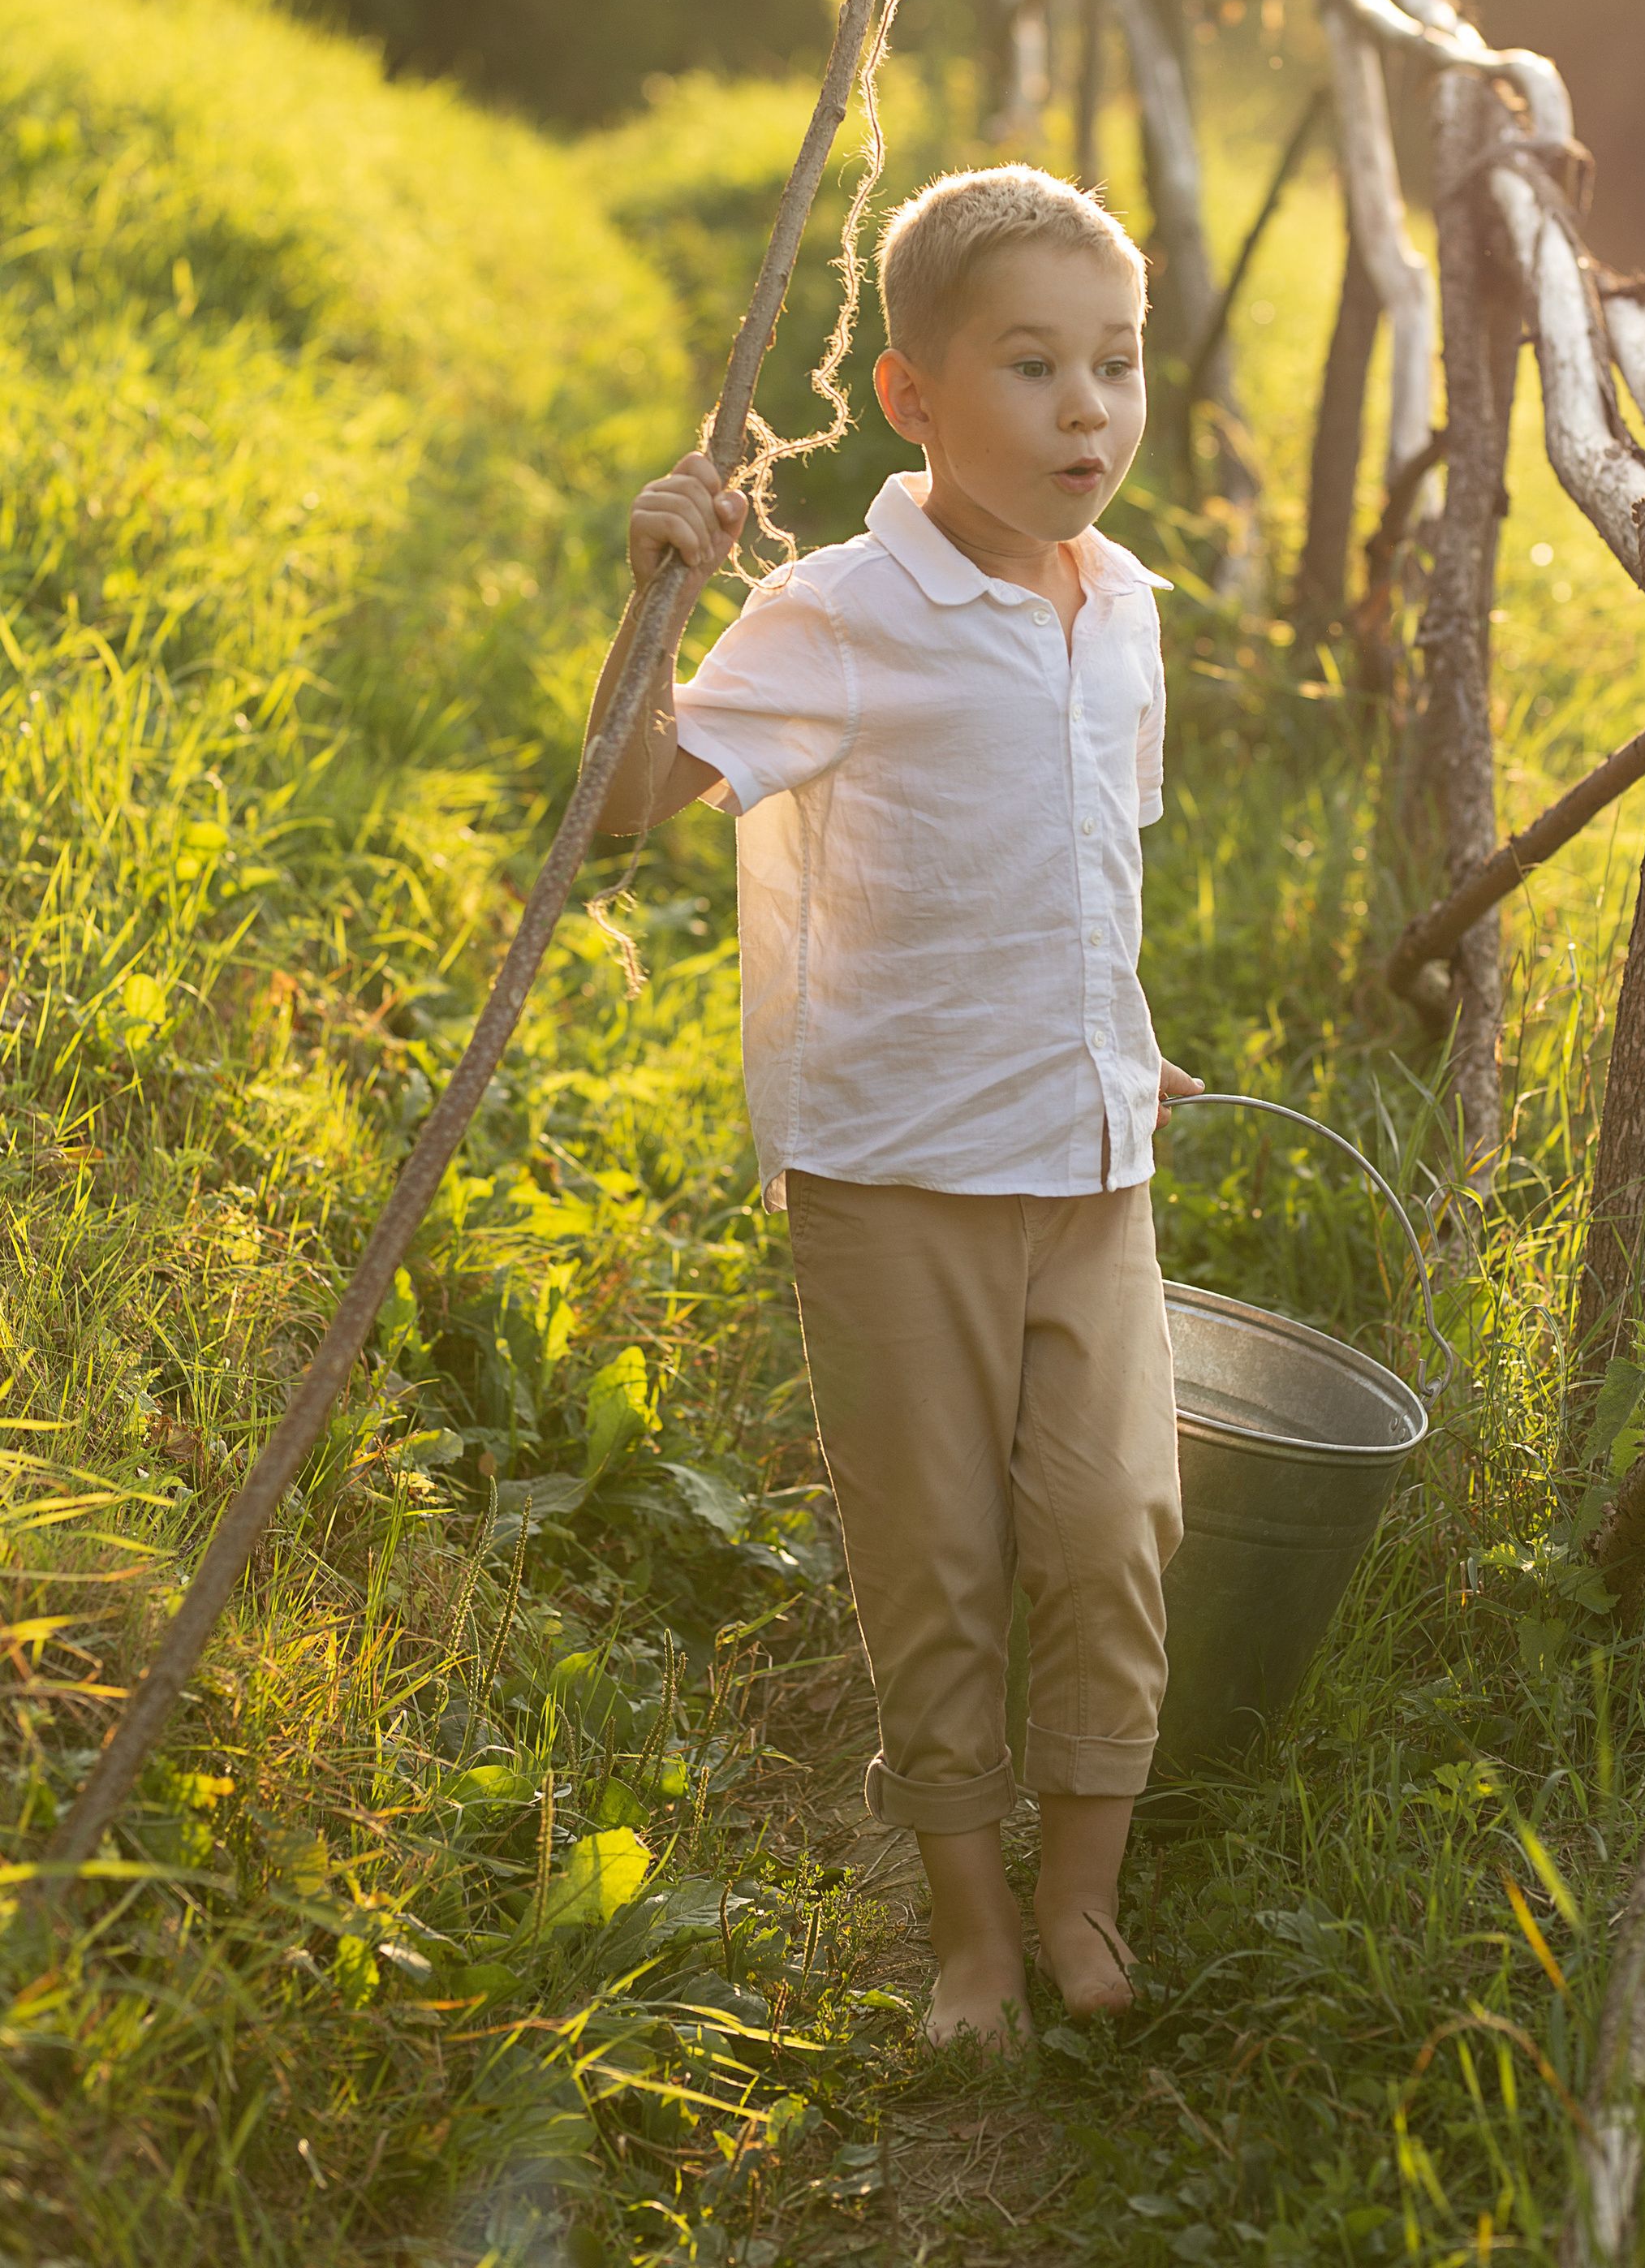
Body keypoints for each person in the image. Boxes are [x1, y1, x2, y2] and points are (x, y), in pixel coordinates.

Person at [584, 165, 1199, 2051]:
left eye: (1114, 361)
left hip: (1089, 1157)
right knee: (930, 1552)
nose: (1086, 408)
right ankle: (966, 1925)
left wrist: (1129, 1039)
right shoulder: (835, 613)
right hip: (892, 1168)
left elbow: (1088, 869)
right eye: (1031, 366)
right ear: (913, 395)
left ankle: (1081, 1895)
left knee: (1109, 1528)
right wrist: (649, 604)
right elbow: (620, 813)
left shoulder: (1130, 612)